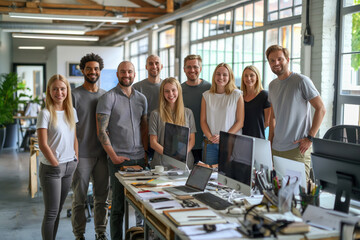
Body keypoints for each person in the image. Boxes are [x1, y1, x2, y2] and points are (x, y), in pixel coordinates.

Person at [96, 61, 147, 240]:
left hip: (140, 159)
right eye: (123, 72)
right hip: (119, 160)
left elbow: (144, 128)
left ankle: (140, 235)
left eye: (130, 72)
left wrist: (146, 154)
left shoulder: (142, 99)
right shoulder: (108, 98)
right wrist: (114, 157)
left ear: (135, 74)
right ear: (117, 74)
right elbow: (101, 131)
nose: (127, 75)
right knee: (118, 207)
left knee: (144, 205)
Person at [266, 45, 326, 180]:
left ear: (287, 59)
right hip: (276, 148)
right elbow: (273, 117)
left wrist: (310, 138)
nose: (276, 63)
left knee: (301, 195)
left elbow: (321, 108)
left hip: (297, 149)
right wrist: (270, 141)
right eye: (272, 60)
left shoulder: (301, 81)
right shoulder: (272, 85)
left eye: (279, 59)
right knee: (280, 192)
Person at [71, 53, 109, 240]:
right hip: (82, 155)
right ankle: (79, 235)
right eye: (89, 68)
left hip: (102, 155)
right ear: (83, 70)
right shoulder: (74, 95)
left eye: (95, 69)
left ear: (100, 71)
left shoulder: (106, 96)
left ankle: (100, 233)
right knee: (79, 199)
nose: (92, 72)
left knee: (102, 199)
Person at [37, 74, 78, 240]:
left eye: (62, 88)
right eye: (55, 89)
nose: (59, 92)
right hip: (52, 168)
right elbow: (43, 144)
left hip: (69, 166)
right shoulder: (45, 113)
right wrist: (55, 163)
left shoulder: (71, 111)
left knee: (58, 210)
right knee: (51, 213)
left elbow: (74, 137)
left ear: (67, 91)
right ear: (49, 91)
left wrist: (76, 158)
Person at [200, 63, 244, 165]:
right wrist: (210, 137)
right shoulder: (206, 95)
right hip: (210, 144)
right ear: (214, 76)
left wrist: (224, 137)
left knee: (229, 176)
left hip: (230, 144)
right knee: (210, 177)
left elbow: (240, 122)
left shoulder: (237, 95)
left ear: (230, 77)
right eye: (218, 74)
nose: (221, 77)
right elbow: (203, 121)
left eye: (225, 74)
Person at [149, 77, 196, 169]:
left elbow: (192, 140)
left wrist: (180, 156)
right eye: (166, 91)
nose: (170, 94)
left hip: (185, 163)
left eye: (173, 90)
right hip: (162, 164)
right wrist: (172, 157)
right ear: (162, 93)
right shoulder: (155, 114)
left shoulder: (188, 113)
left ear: (178, 91)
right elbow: (153, 142)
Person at [133, 54, 163, 164]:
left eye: (157, 63)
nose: (154, 66)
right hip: (142, 138)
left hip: (161, 138)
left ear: (162, 66)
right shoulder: (137, 88)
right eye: (150, 64)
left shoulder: (167, 87)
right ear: (146, 67)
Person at [181, 55, 211, 164]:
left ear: (201, 68)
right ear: (184, 69)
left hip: (206, 143)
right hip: (186, 144)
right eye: (188, 67)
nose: (192, 70)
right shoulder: (179, 90)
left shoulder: (210, 88)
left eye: (195, 67)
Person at [240, 65, 271, 139]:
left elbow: (267, 122)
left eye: (252, 75)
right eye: (246, 76)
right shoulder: (240, 96)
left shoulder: (264, 95)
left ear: (257, 77)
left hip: (258, 138)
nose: (248, 78)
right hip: (240, 137)